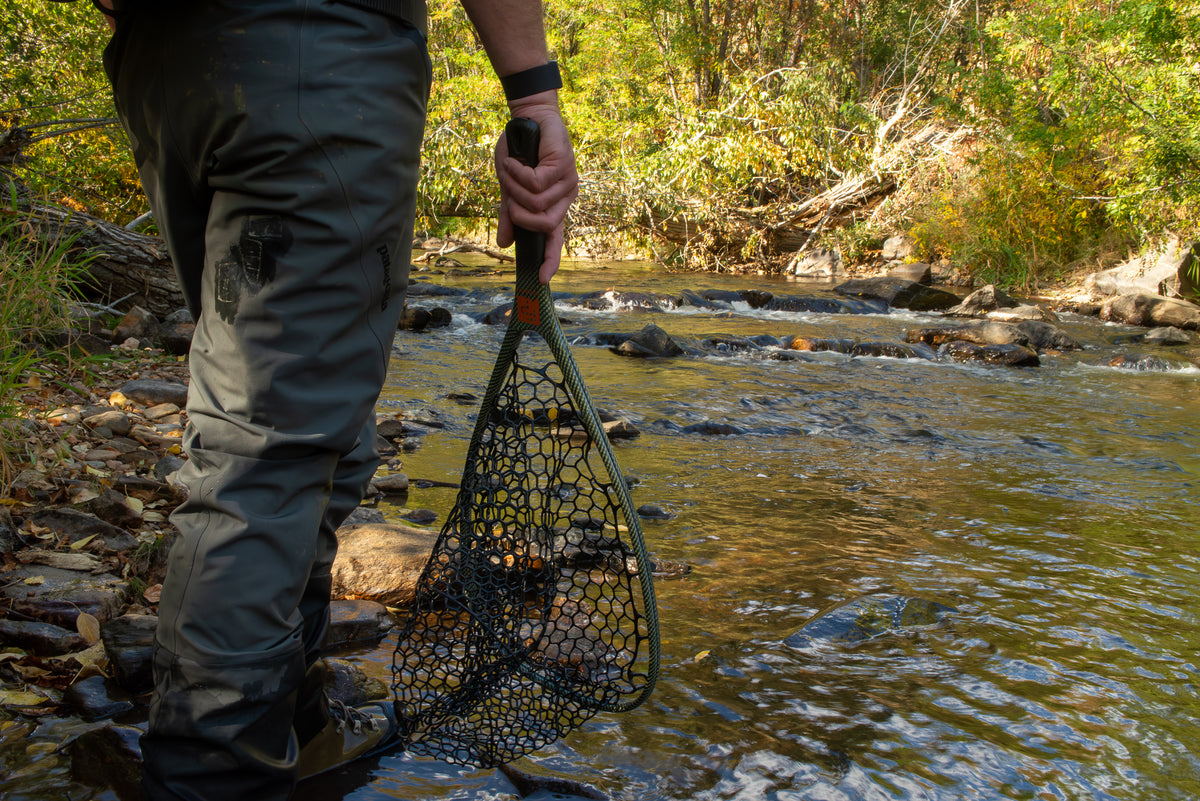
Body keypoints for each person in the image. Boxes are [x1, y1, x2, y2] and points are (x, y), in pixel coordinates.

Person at [88, 0, 579, 798]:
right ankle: (213, 780)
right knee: (267, 456)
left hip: (168, 65)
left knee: (309, 433)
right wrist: (533, 97)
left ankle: (296, 724)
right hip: (323, 57)